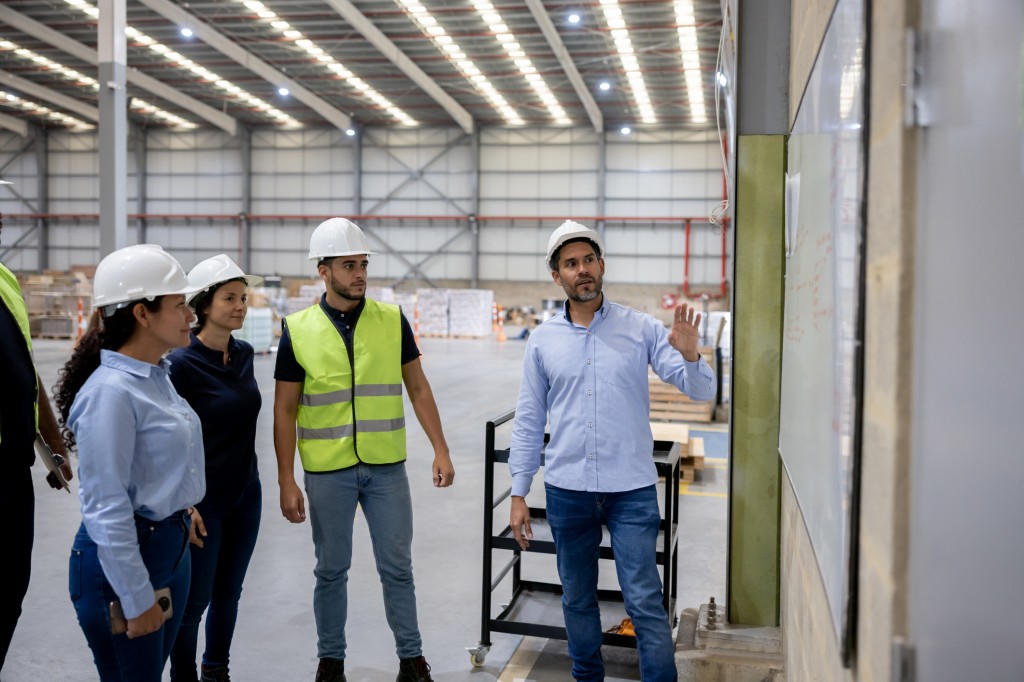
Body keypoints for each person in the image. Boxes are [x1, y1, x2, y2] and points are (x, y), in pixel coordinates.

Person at [508, 220, 716, 682]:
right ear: (556, 275)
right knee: (577, 597)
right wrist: (519, 492)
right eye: (570, 263)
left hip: (631, 490)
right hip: (568, 490)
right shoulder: (542, 341)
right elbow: (529, 420)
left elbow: (701, 392)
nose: (582, 270)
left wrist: (689, 356)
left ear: (601, 265)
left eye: (588, 260)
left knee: (643, 596)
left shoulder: (639, 328)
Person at [273, 217, 455, 682]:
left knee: (398, 569)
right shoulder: (298, 329)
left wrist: (441, 448)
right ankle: (330, 662)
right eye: (348, 264)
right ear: (324, 270)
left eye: (363, 264)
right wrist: (286, 479)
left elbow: (417, 387)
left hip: (386, 469)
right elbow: (285, 409)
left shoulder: (391, 320)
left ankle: (412, 661)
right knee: (330, 571)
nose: (359, 273)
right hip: (327, 471)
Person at [53, 244, 205, 682]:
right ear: (142, 313)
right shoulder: (110, 394)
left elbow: (157, 462)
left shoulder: (157, 375)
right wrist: (136, 597)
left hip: (169, 548)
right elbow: (106, 506)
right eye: (180, 306)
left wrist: (182, 504)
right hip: (125, 563)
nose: (190, 316)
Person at [167, 255, 264, 682]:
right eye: (229, 298)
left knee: (230, 594)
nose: (240, 305)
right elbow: (167, 441)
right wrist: (182, 503)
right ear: (204, 305)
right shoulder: (181, 364)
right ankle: (184, 674)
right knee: (195, 600)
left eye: (243, 297)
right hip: (202, 502)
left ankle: (216, 671)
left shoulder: (243, 354)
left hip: (246, 493)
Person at [0, 179, 75, 674]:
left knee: (10, 588)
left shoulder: (6, 281)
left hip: (11, 468)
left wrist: (51, 441)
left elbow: (24, 369)